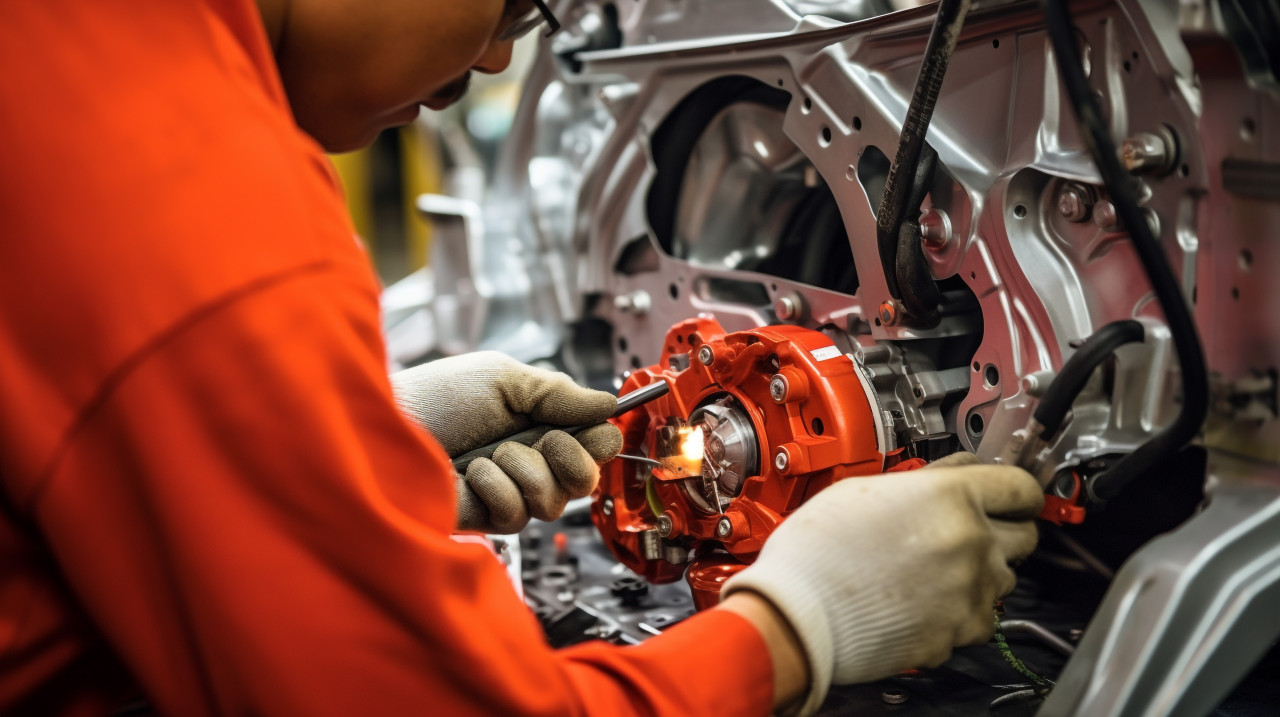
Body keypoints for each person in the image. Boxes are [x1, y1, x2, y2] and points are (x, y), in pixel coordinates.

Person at [0, 1, 1044, 715]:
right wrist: (800, 623)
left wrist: (345, 448)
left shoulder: (74, 58)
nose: (499, 60)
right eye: (512, 8)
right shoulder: (196, 195)